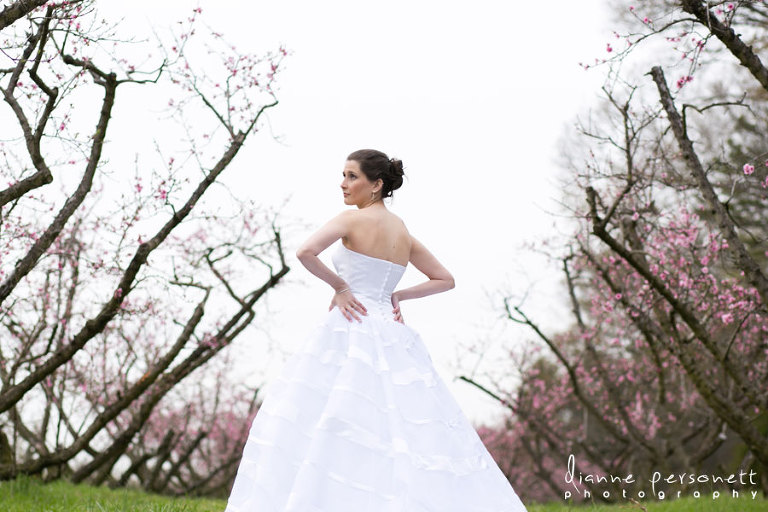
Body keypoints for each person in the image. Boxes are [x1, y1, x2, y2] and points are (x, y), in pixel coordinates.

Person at [225, 149, 527, 511]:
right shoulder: (403, 232)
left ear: (376, 184)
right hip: (391, 331)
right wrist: (398, 295)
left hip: (350, 325)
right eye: (343, 175)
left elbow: (306, 252)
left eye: (352, 176)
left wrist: (340, 288)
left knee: (336, 416)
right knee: (400, 424)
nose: (343, 183)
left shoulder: (351, 220)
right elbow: (445, 280)